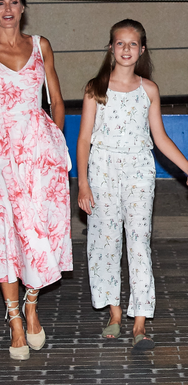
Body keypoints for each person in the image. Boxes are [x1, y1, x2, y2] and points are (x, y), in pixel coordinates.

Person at [0, 0, 72, 360]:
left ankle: (32, 302)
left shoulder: (40, 46)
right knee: (5, 234)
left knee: (40, 232)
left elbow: (56, 99)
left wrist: (53, 140)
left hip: (39, 156)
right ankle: (14, 320)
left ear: (23, 7)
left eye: (13, 2)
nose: (7, 9)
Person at [77, 19, 188, 351]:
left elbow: (161, 139)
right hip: (102, 171)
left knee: (139, 243)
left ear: (142, 49)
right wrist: (83, 184)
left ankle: (140, 319)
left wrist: (186, 169)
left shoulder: (148, 89)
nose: (126, 49)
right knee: (105, 243)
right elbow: (83, 140)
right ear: (111, 48)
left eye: (133, 44)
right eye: (120, 43)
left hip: (139, 170)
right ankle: (114, 313)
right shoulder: (95, 88)